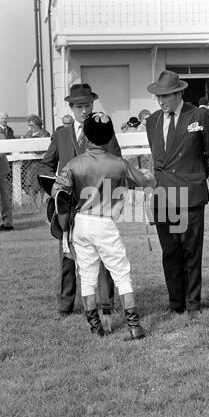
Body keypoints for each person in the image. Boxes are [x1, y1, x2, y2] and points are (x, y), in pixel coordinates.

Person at [52, 113, 155, 338]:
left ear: (86, 136)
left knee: (87, 275)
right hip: (105, 223)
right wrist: (149, 177)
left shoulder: (74, 164)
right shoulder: (119, 163)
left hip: (80, 224)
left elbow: (57, 191)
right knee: (121, 273)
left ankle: (95, 327)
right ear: (109, 137)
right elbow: (143, 182)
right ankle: (134, 326)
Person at [38, 83, 121, 318]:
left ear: (93, 105)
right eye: (80, 106)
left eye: (88, 105)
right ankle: (65, 304)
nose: (84, 110)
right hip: (67, 206)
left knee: (103, 254)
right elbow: (46, 163)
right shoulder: (61, 134)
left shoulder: (105, 132)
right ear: (71, 108)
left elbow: (116, 162)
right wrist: (53, 187)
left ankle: (106, 303)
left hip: (96, 204)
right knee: (67, 255)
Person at [145, 70, 209, 317]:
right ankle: (175, 304)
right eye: (158, 96)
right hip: (163, 195)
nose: (161, 101)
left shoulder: (199, 115)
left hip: (190, 194)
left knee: (190, 250)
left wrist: (196, 176)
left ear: (179, 93)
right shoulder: (152, 121)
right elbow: (159, 159)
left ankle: (193, 304)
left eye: (166, 95)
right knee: (170, 252)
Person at [23, 115, 50, 209]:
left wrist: (34, 149)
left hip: (41, 163)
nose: (31, 128)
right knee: (30, 184)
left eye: (32, 125)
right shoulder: (28, 134)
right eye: (29, 125)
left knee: (41, 184)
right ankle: (33, 205)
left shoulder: (45, 134)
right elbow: (25, 147)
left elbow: (42, 149)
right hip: (31, 164)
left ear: (38, 125)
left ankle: (40, 204)